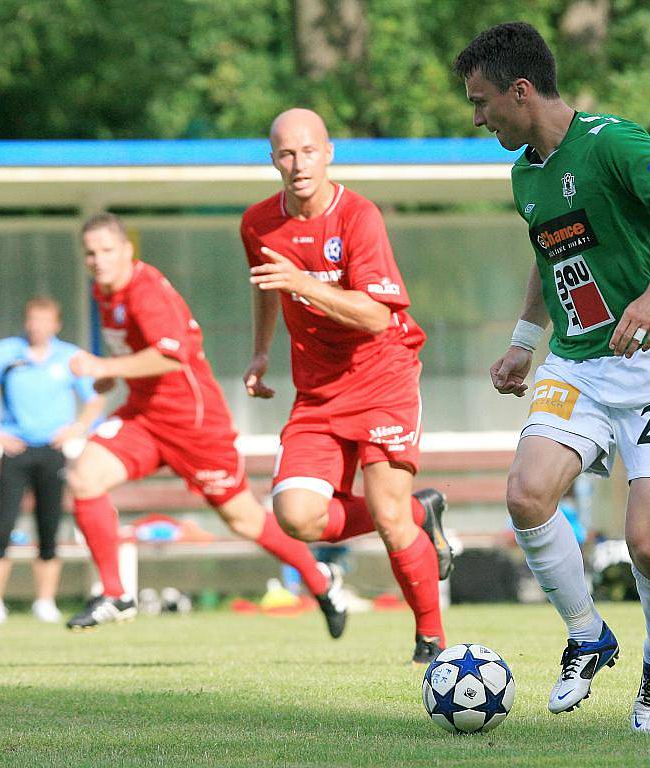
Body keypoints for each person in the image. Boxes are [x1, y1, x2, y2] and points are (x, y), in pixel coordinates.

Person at [454, 23, 650, 732]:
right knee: (526, 494)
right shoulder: (526, 174)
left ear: (522, 91)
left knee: (647, 542)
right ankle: (586, 634)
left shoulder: (612, 142)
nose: (477, 118)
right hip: (579, 363)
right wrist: (523, 342)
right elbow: (551, 260)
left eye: (483, 103)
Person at [65, 212, 346, 636]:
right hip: (144, 418)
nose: (98, 259)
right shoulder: (106, 292)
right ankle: (115, 594)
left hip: (193, 424)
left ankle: (320, 579)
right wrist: (114, 373)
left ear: (127, 250)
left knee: (245, 521)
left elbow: (170, 354)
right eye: (90, 253)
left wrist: (105, 364)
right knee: (84, 477)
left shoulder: (144, 291)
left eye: (107, 250)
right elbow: (141, 352)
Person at [240, 108, 453, 664]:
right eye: (286, 153)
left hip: (382, 375)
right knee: (296, 515)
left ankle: (431, 639)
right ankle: (417, 512)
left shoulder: (358, 216)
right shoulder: (258, 223)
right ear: (273, 159)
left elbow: (378, 316)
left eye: (308, 150)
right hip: (317, 390)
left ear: (328, 153)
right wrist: (262, 351)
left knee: (387, 516)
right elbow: (268, 287)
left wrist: (303, 282)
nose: (298, 163)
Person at [0, 296, 103, 624]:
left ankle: (45, 602)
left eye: (44, 320)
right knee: (5, 525)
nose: (37, 326)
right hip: (16, 451)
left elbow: (95, 396)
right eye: (33, 320)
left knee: (49, 526)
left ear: (56, 324)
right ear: (26, 322)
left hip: (52, 452)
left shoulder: (69, 357)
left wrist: (77, 427)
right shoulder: (5, 353)